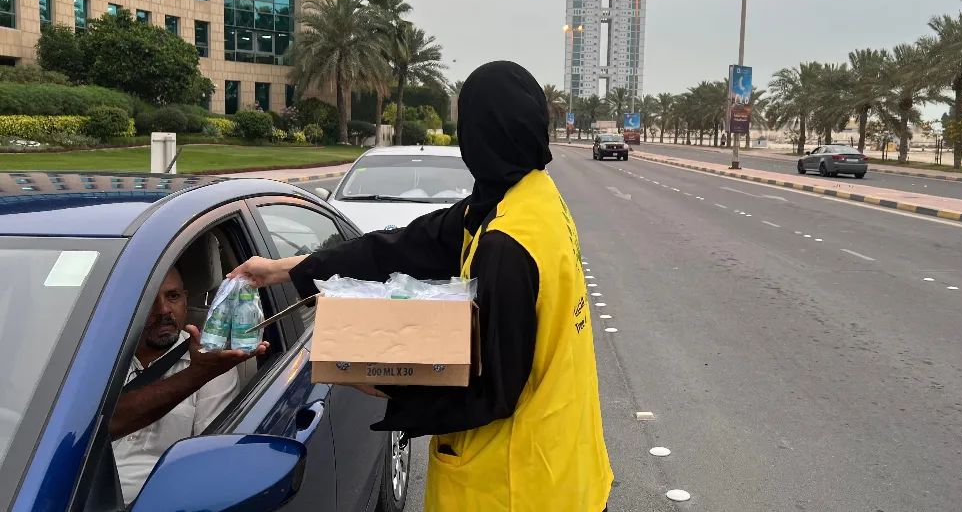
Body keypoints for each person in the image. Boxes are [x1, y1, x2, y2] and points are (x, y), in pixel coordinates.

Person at [229, 61, 613, 511]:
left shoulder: (507, 244)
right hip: (567, 463)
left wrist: (387, 383)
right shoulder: (530, 197)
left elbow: (493, 390)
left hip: (515, 485)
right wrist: (285, 270)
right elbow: (401, 247)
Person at [110, 267, 268, 504]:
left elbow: (209, 463)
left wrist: (199, 373)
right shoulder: (99, 360)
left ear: (185, 300)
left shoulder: (212, 365)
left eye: (173, 296)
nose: (163, 310)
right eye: (148, 299)